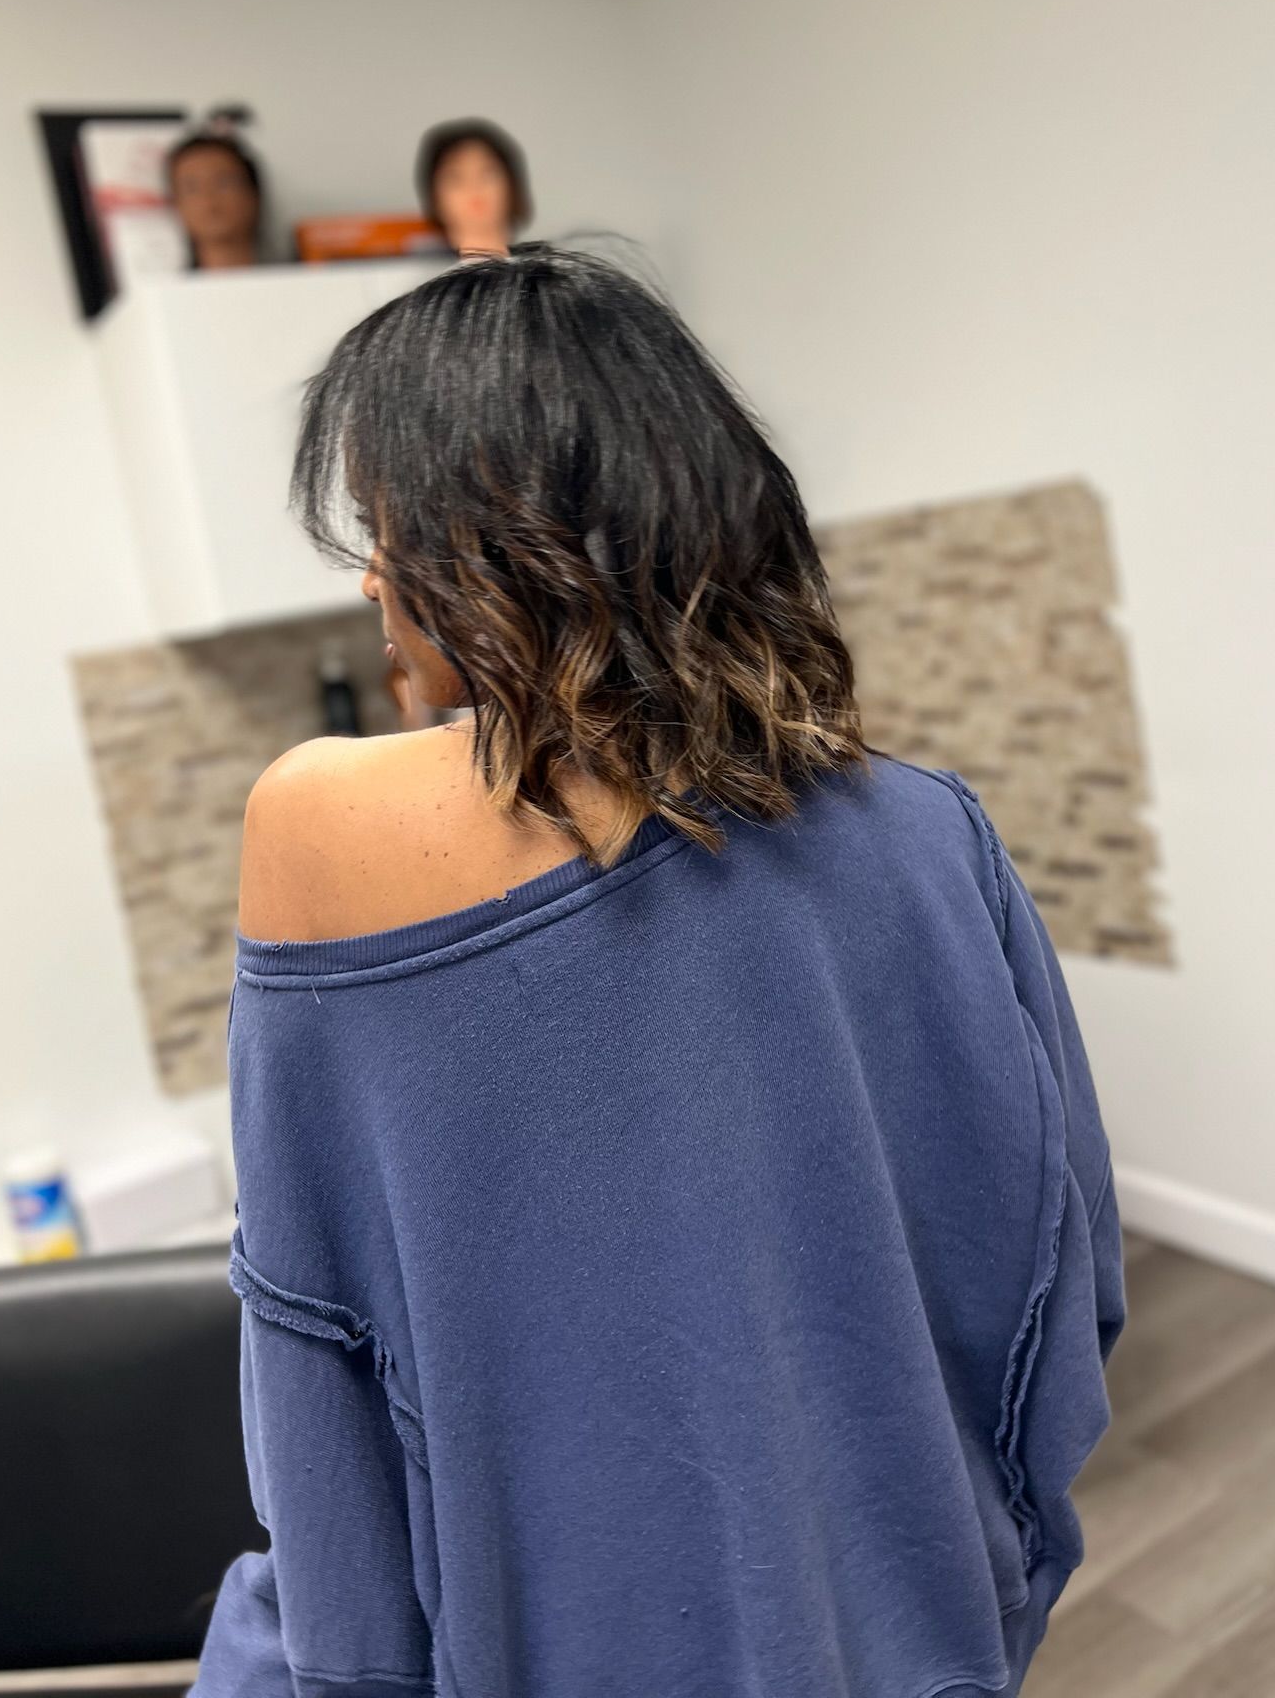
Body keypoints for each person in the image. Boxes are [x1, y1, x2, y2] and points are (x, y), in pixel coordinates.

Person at [193, 248, 1124, 1698]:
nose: (371, 575)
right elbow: (1053, 1288)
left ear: (498, 543)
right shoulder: (926, 832)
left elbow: (318, 1403)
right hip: (916, 1637)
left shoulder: (314, 818)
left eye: (388, 527)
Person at [414, 115, 531, 257]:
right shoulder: (421, 277)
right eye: (455, 178)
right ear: (435, 197)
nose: (474, 187)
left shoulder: (547, 274)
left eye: (487, 173)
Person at [165, 120, 265, 271]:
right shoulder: (160, 292)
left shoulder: (297, 282)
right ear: (176, 204)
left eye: (224, 183)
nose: (208, 198)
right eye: (191, 188)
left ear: (253, 194)